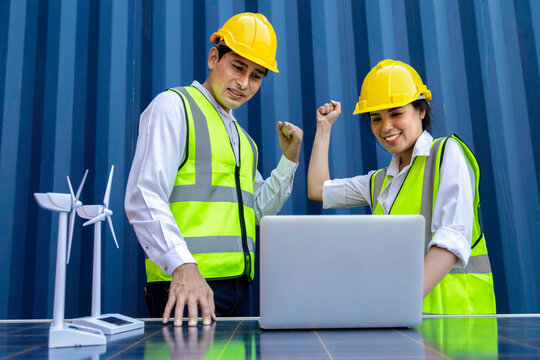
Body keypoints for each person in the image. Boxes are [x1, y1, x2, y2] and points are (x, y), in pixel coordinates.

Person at [125, 12, 303, 327]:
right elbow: (143, 194)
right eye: (237, 67)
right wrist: (182, 265)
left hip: (237, 290)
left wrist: (288, 162)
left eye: (256, 75)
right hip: (185, 286)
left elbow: (256, 212)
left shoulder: (244, 141)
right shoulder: (174, 107)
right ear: (213, 58)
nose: (244, 83)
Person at [307, 59, 496, 314]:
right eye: (376, 118)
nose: (386, 127)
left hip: (457, 325)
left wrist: (395, 306)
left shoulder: (447, 154)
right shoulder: (379, 183)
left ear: (421, 111)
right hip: (408, 327)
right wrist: (324, 128)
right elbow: (318, 189)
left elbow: (450, 241)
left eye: (396, 113)